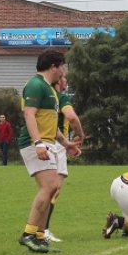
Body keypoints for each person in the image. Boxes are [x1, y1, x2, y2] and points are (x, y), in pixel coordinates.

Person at [16, 48, 72, 253]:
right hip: (35, 143)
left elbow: (49, 122)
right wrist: (38, 142)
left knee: (53, 187)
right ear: (53, 66)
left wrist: (66, 144)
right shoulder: (35, 85)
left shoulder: (49, 89)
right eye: (62, 66)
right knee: (49, 187)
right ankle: (29, 234)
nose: (63, 71)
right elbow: (29, 116)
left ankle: (38, 236)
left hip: (47, 142)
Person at [43, 76, 84, 244]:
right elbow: (72, 117)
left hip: (50, 141)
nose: (66, 81)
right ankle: (41, 230)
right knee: (52, 189)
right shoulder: (61, 97)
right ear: (59, 81)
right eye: (64, 78)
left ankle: (41, 229)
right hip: (56, 143)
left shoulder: (48, 97)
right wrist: (81, 135)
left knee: (52, 189)